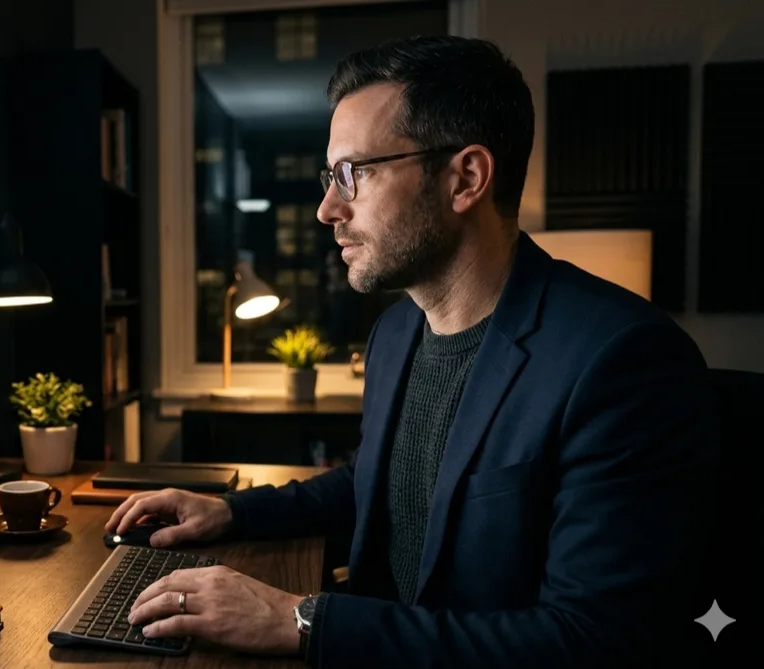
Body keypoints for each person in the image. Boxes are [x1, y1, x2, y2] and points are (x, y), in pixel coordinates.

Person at [106, 35, 716, 668]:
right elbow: (379, 484)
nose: (326, 209)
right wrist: (230, 512)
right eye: (329, 176)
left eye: (354, 175)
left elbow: (591, 642)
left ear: (466, 179)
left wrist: (302, 622)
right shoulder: (397, 333)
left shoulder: (622, 360)